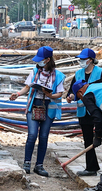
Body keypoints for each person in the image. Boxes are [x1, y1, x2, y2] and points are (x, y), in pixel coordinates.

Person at [8, 46, 65, 176]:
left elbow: (60, 94)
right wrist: (17, 94)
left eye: (41, 59)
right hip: (34, 105)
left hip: (48, 107)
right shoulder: (35, 72)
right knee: (32, 134)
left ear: (47, 60)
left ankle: (39, 165)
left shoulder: (58, 76)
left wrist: (49, 95)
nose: (38, 62)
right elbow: (27, 87)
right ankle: (26, 163)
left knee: (44, 136)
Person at [65, 48, 102, 177]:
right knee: (87, 140)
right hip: (84, 111)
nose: (81, 62)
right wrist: (71, 96)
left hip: (99, 110)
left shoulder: (101, 73)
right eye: (80, 59)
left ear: (90, 60)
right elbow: (72, 91)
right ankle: (91, 167)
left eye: (83, 59)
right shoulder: (78, 74)